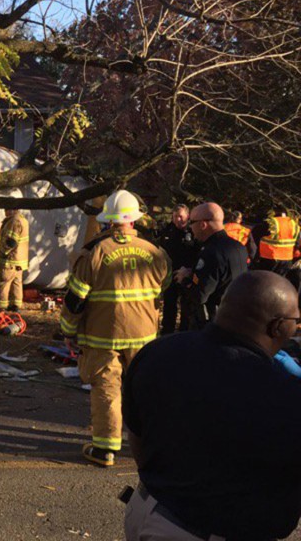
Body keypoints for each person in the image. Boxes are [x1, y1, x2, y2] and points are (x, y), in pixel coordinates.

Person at [123, 271, 301, 541]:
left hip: (147, 508)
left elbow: (137, 435)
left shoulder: (158, 352)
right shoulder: (285, 394)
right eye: (295, 321)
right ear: (276, 327)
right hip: (205, 531)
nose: (296, 328)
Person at [59, 190, 170, 467]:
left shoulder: (94, 253)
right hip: (143, 336)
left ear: (107, 221)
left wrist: (67, 331)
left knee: (106, 388)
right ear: (134, 220)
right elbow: (164, 287)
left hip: (102, 336)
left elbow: (75, 300)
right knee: (142, 388)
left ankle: (105, 448)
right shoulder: (154, 252)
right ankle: (149, 443)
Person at [174, 203, 248, 328]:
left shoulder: (211, 252)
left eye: (192, 222)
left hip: (214, 323)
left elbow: (199, 295)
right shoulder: (239, 247)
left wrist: (184, 279)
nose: (190, 228)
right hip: (236, 316)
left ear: (203, 225)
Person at [155, 204, 198, 334]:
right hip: (170, 273)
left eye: (180, 216)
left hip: (187, 275)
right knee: (169, 305)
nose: (178, 219)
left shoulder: (193, 232)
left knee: (186, 306)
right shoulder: (167, 231)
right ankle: (167, 332)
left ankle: (184, 332)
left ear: (187, 216)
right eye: (175, 217)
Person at [0, 208, 29, 312]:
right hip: (19, 260)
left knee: (3, 282)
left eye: (6, 209)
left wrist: (2, 250)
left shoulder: (14, 221)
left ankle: (1, 306)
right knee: (16, 283)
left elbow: (11, 242)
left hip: (10, 260)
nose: (5, 212)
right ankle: (16, 305)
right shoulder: (23, 219)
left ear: (13, 209)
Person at [252, 207, 300, 276]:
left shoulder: (271, 223)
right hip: (287, 259)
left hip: (269, 258)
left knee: (266, 280)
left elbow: (255, 233)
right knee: (281, 281)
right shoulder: (293, 223)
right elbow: (297, 242)